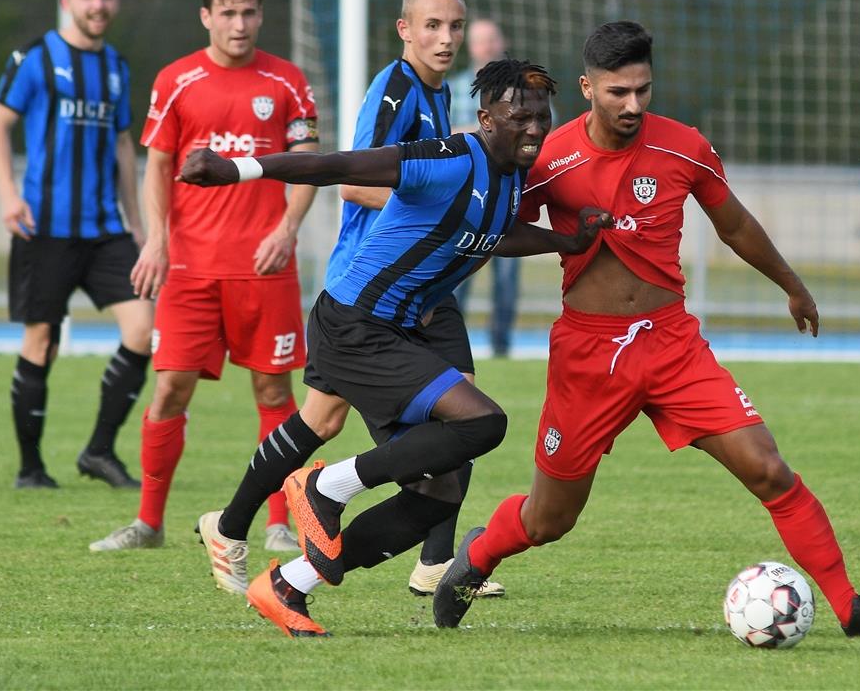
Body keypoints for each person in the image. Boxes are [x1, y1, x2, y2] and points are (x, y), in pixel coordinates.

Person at [433, 21, 860, 638]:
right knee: (550, 519)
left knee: (768, 467)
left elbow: (735, 224)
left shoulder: (683, 146)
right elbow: (495, 230)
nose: (633, 104)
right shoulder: (549, 158)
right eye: (618, 93)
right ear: (587, 88)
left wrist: (793, 285)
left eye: (643, 90)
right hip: (588, 354)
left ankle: (851, 608)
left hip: (671, 345)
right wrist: (562, 240)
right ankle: (475, 557)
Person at [180, 58, 611, 637]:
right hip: (356, 325)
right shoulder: (449, 157)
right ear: (485, 118)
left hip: (394, 333)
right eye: (519, 116)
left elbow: (496, 231)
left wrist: (567, 240)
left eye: (541, 116)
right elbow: (336, 166)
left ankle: (287, 587)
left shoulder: (511, 176)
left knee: (439, 491)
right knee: (483, 423)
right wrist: (237, 169)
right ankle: (322, 487)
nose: (534, 127)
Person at [195, 0, 502, 599]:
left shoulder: (439, 96)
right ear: (405, 30)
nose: (445, 38)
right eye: (432, 26)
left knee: (331, 420)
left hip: (415, 287)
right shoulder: (395, 89)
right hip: (374, 290)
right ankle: (244, 527)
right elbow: (355, 178)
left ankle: (230, 527)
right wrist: (446, 214)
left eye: (454, 27)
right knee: (441, 419)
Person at [89, 0, 319, 552]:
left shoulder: (288, 81)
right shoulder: (176, 80)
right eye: (227, 14)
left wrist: (287, 228)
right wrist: (159, 241)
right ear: (206, 16)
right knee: (169, 389)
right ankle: (148, 524)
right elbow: (157, 166)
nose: (239, 25)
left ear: (260, 14)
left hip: (264, 266)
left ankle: (277, 525)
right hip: (192, 268)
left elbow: (308, 167)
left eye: (248, 13)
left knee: (273, 394)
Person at [0, 0, 152, 490]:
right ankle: (30, 469)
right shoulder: (34, 58)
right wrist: (9, 196)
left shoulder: (116, 67)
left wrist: (138, 224)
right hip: (45, 228)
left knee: (143, 331)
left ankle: (99, 451)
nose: (98, 6)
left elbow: (125, 146)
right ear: (67, 2)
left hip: (105, 230)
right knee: (42, 342)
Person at [449, 19, 520, 357]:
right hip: (465, 201)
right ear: (471, 46)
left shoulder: (527, 88)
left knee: (506, 280)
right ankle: (451, 344)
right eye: (479, 41)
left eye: (492, 39)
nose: (486, 47)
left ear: (502, 41)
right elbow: (442, 136)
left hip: (510, 198)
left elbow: (543, 130)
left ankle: (501, 347)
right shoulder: (454, 87)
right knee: (456, 276)